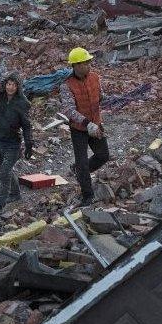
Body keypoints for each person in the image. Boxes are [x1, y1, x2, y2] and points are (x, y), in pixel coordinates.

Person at [60, 47, 109, 206]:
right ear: (76, 65)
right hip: (79, 129)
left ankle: (80, 172)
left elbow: (101, 97)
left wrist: (110, 102)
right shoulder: (66, 85)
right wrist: (87, 124)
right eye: (86, 62)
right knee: (82, 162)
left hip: (96, 124)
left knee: (103, 156)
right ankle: (88, 196)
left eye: (89, 62)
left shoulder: (95, 77)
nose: (89, 65)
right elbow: (69, 110)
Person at [0, 72, 33, 215]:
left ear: (18, 86)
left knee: (4, 173)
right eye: (8, 84)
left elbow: (26, 126)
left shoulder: (23, 103)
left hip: (12, 144)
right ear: (5, 84)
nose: (10, 87)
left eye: (14, 85)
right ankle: (16, 194)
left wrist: (29, 144)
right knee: (3, 169)